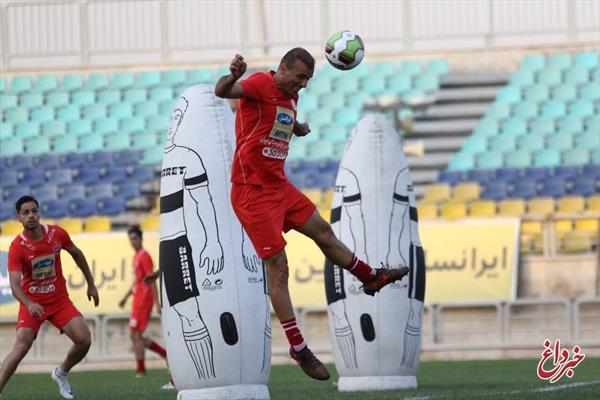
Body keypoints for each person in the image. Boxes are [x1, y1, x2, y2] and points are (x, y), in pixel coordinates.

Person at [215, 48, 410, 381]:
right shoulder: (261, 84)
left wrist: (298, 128)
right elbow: (222, 91)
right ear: (282, 69)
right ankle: (298, 347)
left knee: (324, 232)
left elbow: (274, 124)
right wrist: (233, 74)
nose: (303, 85)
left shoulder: (290, 97)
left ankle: (369, 277)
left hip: (279, 187)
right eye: (300, 77)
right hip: (252, 193)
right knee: (278, 266)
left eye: (308, 80)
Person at [0, 196, 100, 400]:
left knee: (84, 339)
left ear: (39, 212)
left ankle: (61, 373)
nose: (31, 216)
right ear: (19, 217)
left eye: (34, 211)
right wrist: (28, 303)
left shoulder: (56, 234)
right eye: (25, 212)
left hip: (59, 300)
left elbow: (77, 254)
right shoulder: (17, 247)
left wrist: (90, 284)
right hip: (32, 303)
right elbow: (15, 285)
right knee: (22, 344)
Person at [118, 227, 173, 390]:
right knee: (135, 335)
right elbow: (137, 281)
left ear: (141, 239)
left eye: (134, 238)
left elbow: (151, 279)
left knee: (135, 335)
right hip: (137, 299)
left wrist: (156, 302)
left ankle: (141, 370)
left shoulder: (145, 256)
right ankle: (162, 353)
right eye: (130, 239)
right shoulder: (135, 257)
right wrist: (125, 297)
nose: (132, 241)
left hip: (144, 300)